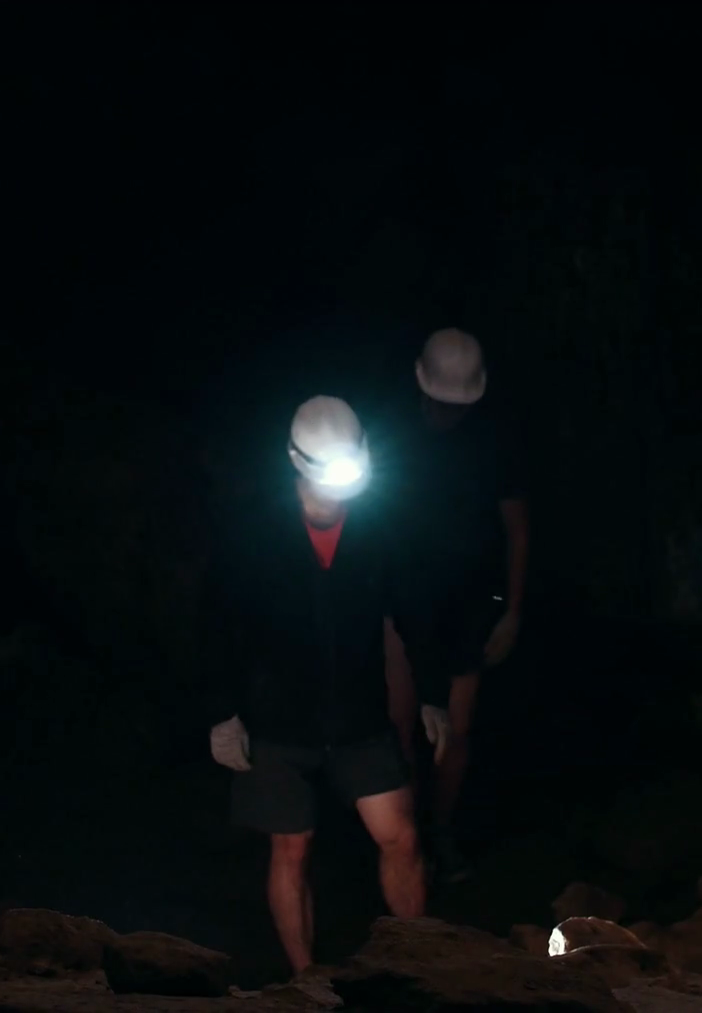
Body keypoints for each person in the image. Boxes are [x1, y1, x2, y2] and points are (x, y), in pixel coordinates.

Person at [205, 395, 433, 976]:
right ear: (296, 462)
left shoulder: (378, 525)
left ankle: (424, 965)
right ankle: (306, 979)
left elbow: (410, 611)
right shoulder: (255, 528)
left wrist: (430, 693)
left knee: (400, 836)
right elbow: (220, 621)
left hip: (358, 713)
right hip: (279, 718)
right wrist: (223, 711)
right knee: (291, 847)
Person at [382, 327, 529, 885]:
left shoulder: (492, 440)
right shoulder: (393, 434)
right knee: (401, 723)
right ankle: (405, 837)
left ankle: (440, 831)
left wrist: (512, 610)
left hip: (468, 601)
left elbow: (517, 529)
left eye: (457, 403)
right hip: (402, 596)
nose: (449, 412)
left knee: (457, 730)